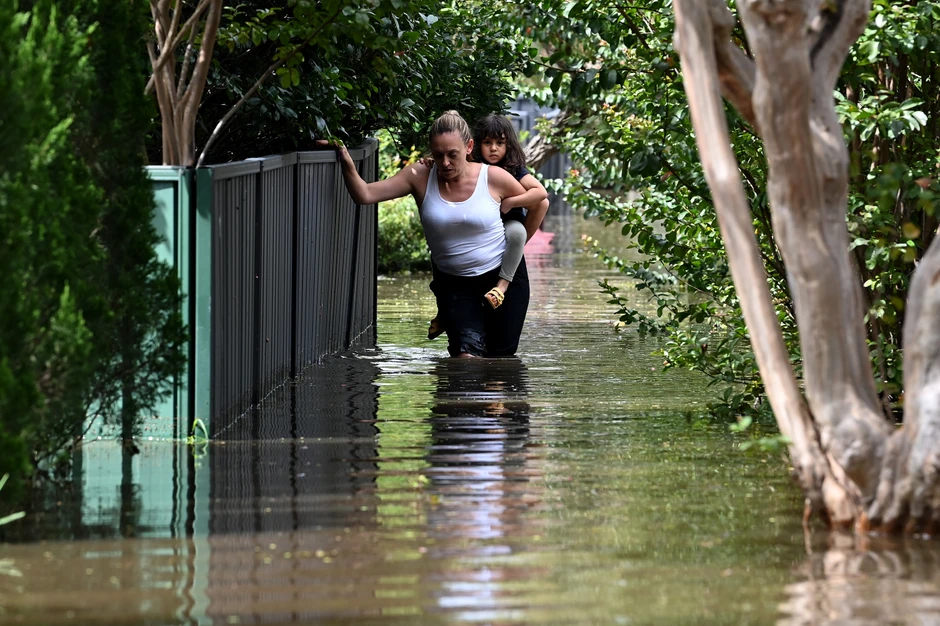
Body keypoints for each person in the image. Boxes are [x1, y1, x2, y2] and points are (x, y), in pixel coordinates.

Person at [324, 111, 548, 358]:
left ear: (469, 146)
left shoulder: (493, 176)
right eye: (438, 155)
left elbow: (539, 202)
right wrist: (344, 158)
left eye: (452, 154)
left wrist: (521, 240)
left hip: (502, 281)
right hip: (455, 285)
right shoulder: (419, 175)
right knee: (465, 359)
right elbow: (364, 194)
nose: (445, 163)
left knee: (499, 363)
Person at [426, 114, 549, 338]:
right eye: (488, 143)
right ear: (475, 144)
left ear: (508, 145)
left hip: (507, 222)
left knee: (517, 233)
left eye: (499, 143)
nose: (493, 149)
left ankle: (502, 285)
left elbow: (541, 195)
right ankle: (444, 311)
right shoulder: (472, 167)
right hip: (472, 233)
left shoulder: (514, 168)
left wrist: (512, 201)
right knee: (440, 251)